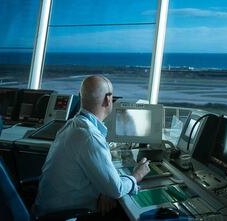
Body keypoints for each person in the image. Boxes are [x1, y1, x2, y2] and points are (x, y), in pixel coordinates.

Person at [34, 75, 150, 219]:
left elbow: (100, 178)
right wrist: (137, 175)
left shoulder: (73, 125)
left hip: (48, 210)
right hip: (64, 216)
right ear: (108, 100)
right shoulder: (89, 136)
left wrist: (104, 191)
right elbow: (117, 189)